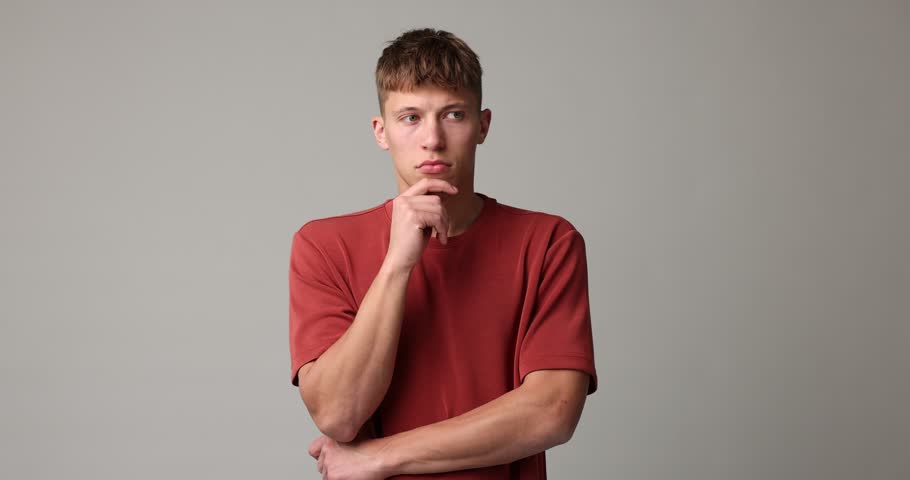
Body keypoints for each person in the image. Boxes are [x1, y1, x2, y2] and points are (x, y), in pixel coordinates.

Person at [288, 28, 597, 479]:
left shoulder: (549, 242)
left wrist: (378, 456)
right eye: (410, 117)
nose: (432, 138)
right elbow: (339, 414)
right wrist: (398, 262)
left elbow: (552, 411)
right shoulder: (323, 245)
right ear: (381, 132)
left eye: (453, 114)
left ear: (483, 125)